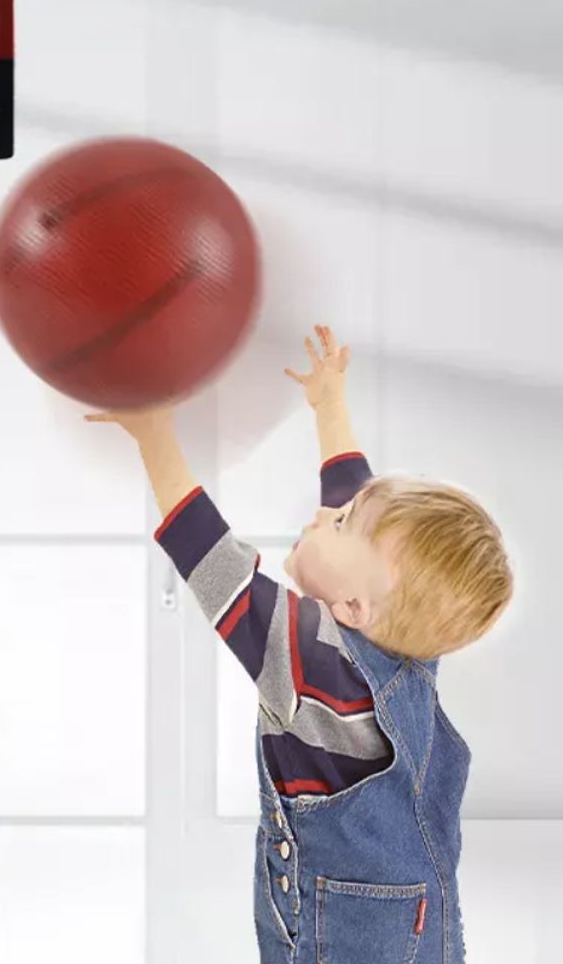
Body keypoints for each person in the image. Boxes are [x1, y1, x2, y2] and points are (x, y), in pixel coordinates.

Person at [87, 324, 513, 964]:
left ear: (352, 607)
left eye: (339, 524)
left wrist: (155, 439)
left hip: (344, 940)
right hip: (423, 928)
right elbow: (358, 498)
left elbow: (213, 561)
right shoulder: (405, 639)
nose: (323, 513)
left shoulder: (309, 662)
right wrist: (329, 408)